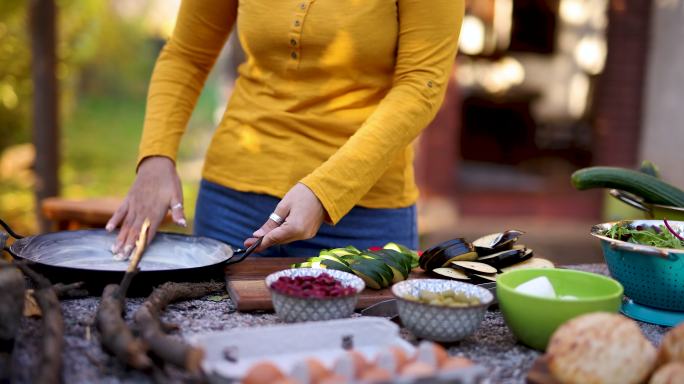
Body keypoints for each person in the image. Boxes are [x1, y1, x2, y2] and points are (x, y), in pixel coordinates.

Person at [106, 0, 464, 258]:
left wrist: (326, 191)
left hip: (363, 217)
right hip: (233, 208)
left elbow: (421, 85)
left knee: (360, 357)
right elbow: (187, 53)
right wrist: (156, 155)